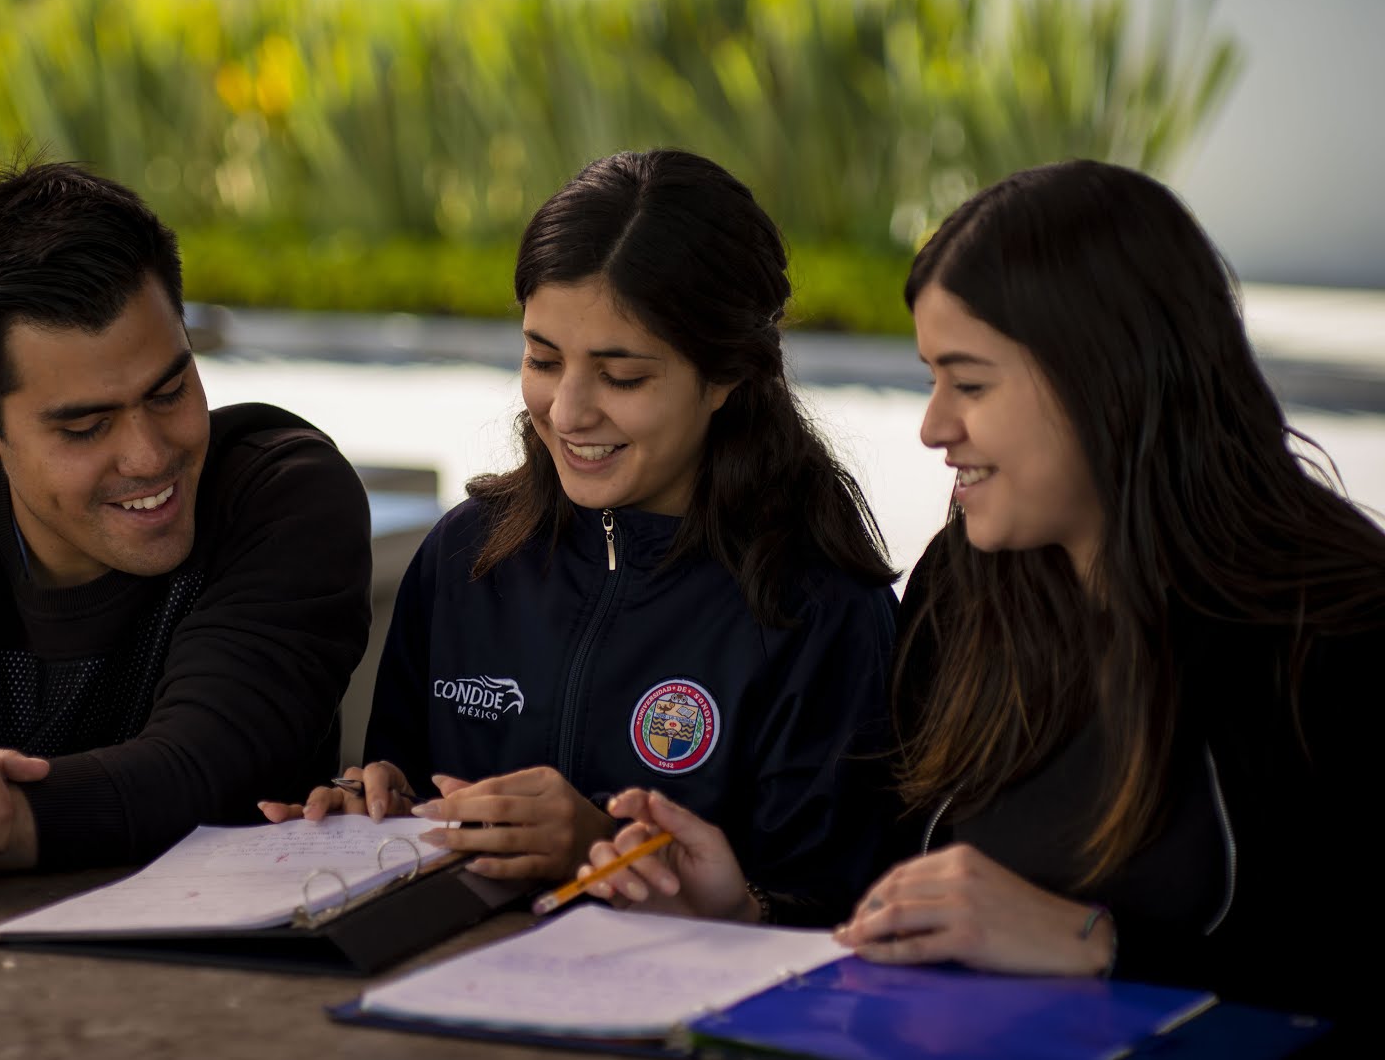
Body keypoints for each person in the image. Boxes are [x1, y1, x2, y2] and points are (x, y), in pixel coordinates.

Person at [578, 159, 1380, 1031]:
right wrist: (743, 914)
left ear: (1104, 377)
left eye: (969, 383)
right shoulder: (967, 588)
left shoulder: (1334, 629)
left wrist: (1101, 946)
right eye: (931, 379)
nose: (933, 426)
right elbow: (892, 905)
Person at [262, 150, 900, 922]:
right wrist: (373, 804)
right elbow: (414, 808)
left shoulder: (818, 608)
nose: (567, 411)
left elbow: (837, 924)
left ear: (729, 373)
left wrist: (607, 846)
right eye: (541, 358)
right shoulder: (464, 559)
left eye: (621, 376)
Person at [0, 161, 373, 874]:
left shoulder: (278, 496)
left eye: (169, 390)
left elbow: (197, 778)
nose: (149, 455)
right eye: (86, 426)